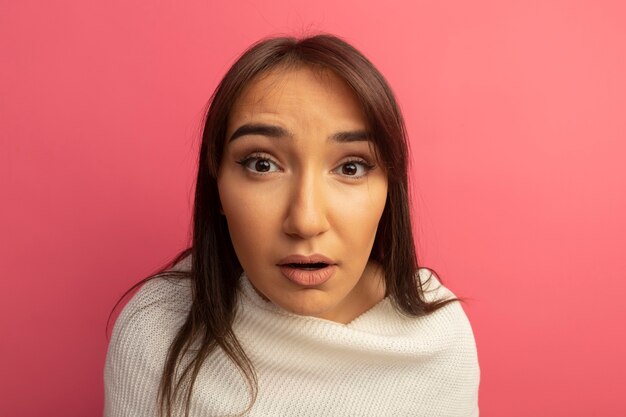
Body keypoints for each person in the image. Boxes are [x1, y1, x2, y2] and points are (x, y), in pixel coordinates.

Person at [104, 34, 480, 417]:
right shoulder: (157, 333)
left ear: (390, 191)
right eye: (262, 164)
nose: (305, 221)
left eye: (351, 167)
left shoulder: (439, 340)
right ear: (217, 187)